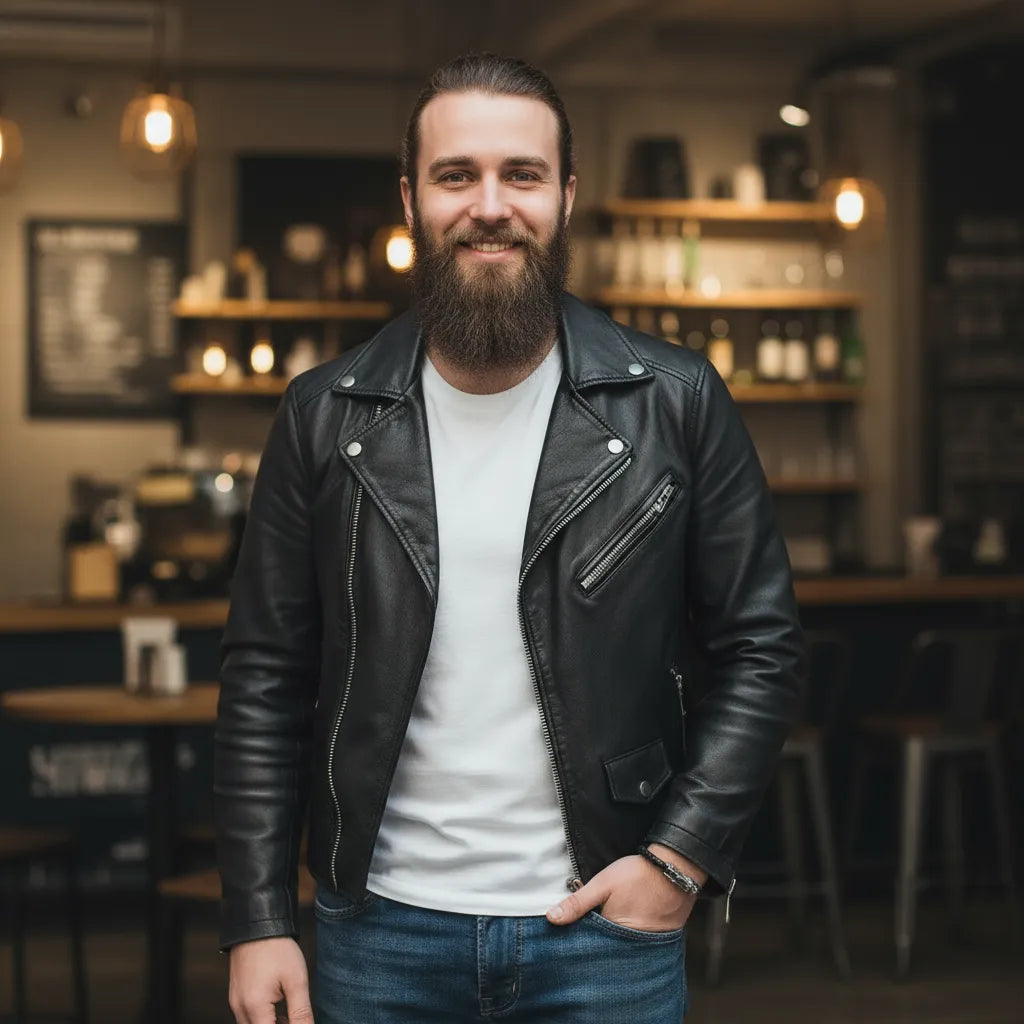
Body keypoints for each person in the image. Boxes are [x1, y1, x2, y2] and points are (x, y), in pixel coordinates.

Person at [216, 52, 804, 1024]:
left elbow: (762, 648)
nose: (490, 205)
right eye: (457, 176)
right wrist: (255, 916)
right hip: (379, 935)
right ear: (411, 198)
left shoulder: (677, 401)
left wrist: (677, 861)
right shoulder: (323, 415)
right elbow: (265, 677)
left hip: (602, 935)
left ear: (565, 195)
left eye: (521, 175)